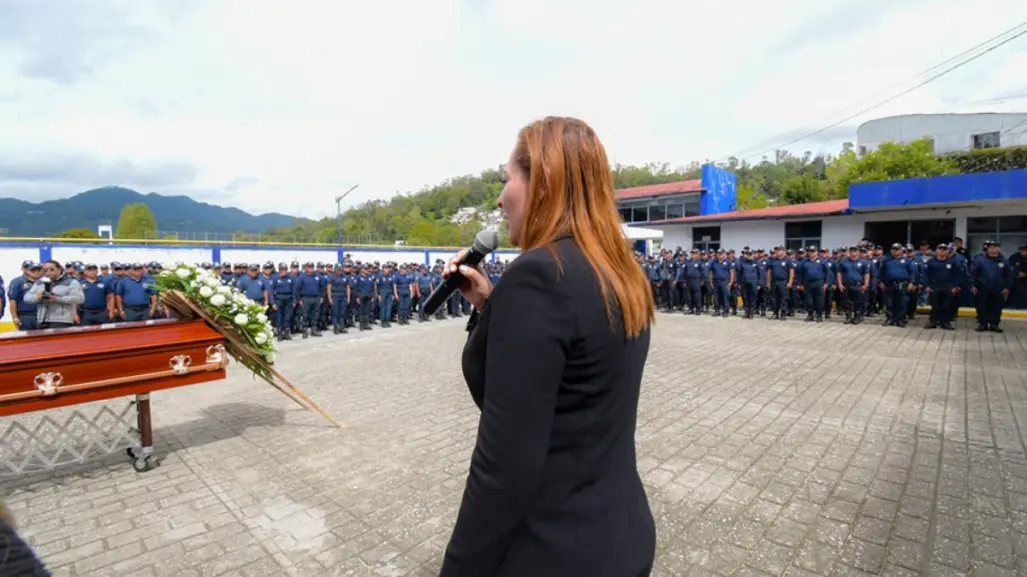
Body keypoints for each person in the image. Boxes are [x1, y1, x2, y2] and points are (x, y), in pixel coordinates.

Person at [439, 117, 656, 577]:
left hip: (555, 547)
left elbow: (504, 467)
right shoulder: (618, 272)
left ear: (543, 182)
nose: (500, 198)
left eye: (506, 179)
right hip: (619, 531)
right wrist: (491, 307)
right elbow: (575, 376)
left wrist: (459, 568)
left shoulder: (538, 274)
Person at [24, 260, 84, 329]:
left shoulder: (71, 282)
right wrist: (37, 297)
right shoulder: (40, 282)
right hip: (42, 320)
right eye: (45, 270)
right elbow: (26, 298)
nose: (48, 272)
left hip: (61, 320)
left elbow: (79, 299)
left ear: (59, 269)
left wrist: (57, 299)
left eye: (52, 269)